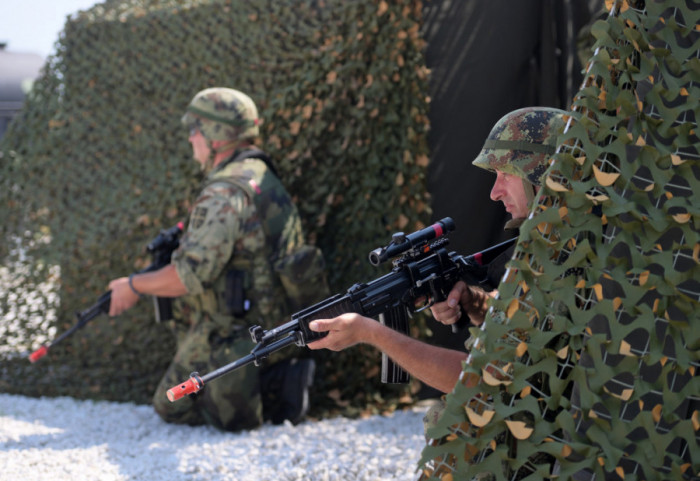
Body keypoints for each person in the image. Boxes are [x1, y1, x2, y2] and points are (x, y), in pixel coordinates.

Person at [306, 106, 567, 395]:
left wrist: (373, 333)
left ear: (542, 174)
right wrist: (472, 301)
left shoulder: (562, 261)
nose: (495, 192)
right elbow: (512, 316)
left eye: (506, 174)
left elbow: (480, 382)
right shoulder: (559, 244)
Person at [107, 87, 317, 431]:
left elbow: (189, 276)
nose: (191, 139)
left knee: (171, 406)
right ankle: (274, 374)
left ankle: (275, 386)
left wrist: (132, 285)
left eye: (196, 130)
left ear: (216, 136)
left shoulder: (225, 190)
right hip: (276, 322)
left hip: (240, 330)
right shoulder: (259, 174)